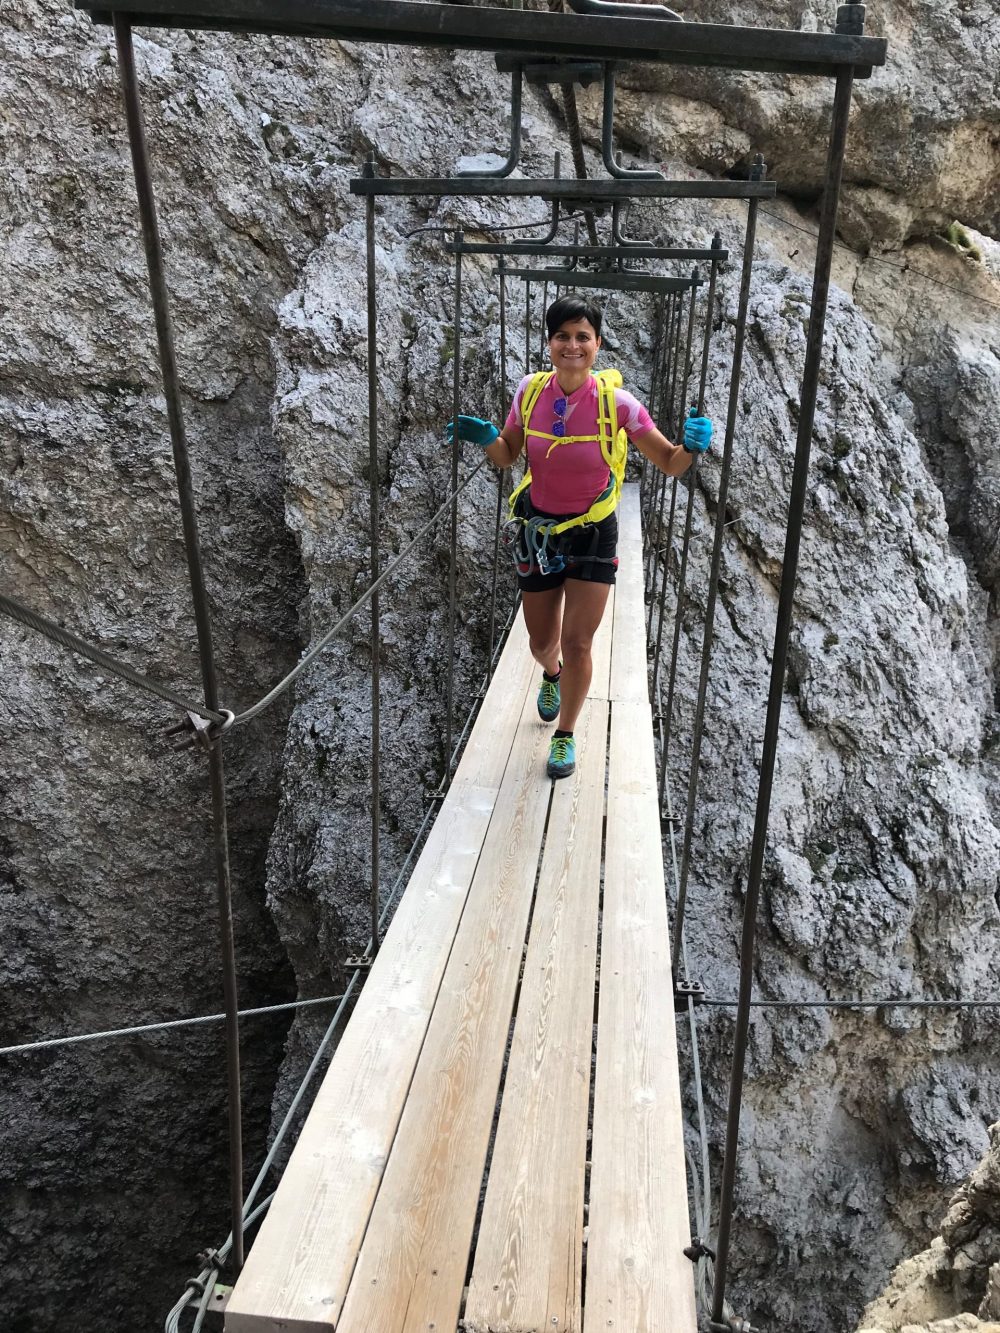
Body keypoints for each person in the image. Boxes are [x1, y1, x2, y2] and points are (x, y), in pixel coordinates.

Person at [448, 292, 712, 780]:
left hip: (594, 533)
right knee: (541, 643)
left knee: (578, 643)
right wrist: (487, 437)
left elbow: (671, 463)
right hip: (539, 535)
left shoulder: (620, 405)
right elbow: (508, 455)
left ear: (598, 344)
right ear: (549, 343)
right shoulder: (529, 392)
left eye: (582, 337)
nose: (572, 345)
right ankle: (550, 676)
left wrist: (692, 446)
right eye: (563, 336)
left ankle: (566, 735)